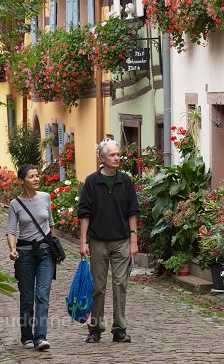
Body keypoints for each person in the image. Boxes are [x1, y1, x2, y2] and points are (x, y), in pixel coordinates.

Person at [77, 139, 140, 343]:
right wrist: (83, 242)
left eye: (118, 154)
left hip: (121, 239)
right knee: (98, 286)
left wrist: (133, 240)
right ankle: (95, 328)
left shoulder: (125, 181)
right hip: (98, 241)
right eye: (112, 155)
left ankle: (119, 329)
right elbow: (84, 213)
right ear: (102, 158)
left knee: (120, 284)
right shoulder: (92, 182)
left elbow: (133, 211)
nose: (116, 158)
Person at [6, 163, 56, 351]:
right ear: (22, 181)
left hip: (45, 252)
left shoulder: (45, 197)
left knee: (42, 295)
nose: (36, 179)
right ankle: (26, 336)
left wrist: (55, 248)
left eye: (37, 175)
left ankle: (40, 337)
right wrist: (12, 249)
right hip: (24, 253)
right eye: (31, 176)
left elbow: (50, 224)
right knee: (27, 297)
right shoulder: (15, 204)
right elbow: (11, 230)